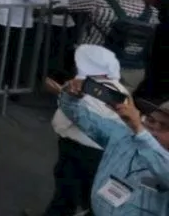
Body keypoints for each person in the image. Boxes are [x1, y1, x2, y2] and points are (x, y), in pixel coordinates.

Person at [47, 77, 169, 215]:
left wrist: (138, 129)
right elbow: (79, 116)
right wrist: (71, 97)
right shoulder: (123, 135)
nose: (153, 128)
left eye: (165, 126)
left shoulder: (146, 142)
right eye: (151, 120)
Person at [41, 45, 129, 216]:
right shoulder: (107, 86)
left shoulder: (100, 89)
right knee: (73, 191)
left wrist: (63, 94)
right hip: (87, 150)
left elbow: (81, 116)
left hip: (83, 150)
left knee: (67, 193)